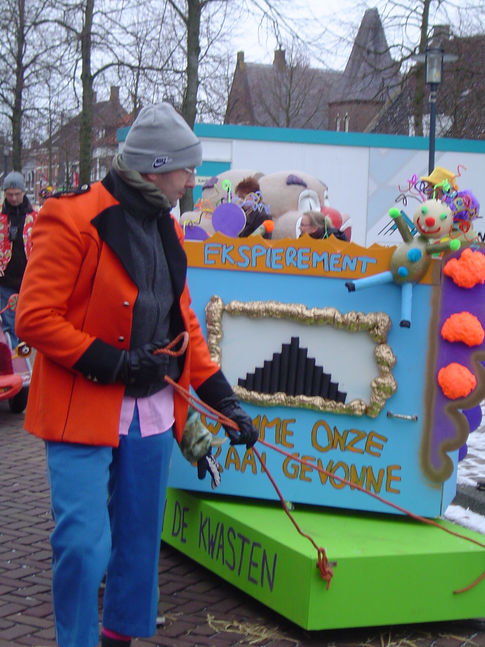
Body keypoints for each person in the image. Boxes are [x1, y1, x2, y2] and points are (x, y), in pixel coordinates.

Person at [15, 102, 259, 647]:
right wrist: (116, 362)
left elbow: (184, 324)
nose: (193, 181)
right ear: (156, 168)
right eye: (187, 170)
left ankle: (117, 638)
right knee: (83, 546)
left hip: (151, 413)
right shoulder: (70, 217)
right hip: (81, 409)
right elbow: (34, 318)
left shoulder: (166, 224)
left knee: (139, 544)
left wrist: (226, 403)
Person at [0, 171, 37, 347]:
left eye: (17, 194)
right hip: (5, 281)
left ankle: (28, 356)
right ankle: (16, 359)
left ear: (23, 192)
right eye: (9, 194)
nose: (13, 198)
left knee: (29, 323)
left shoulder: (36, 217)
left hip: (30, 280)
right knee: (10, 325)